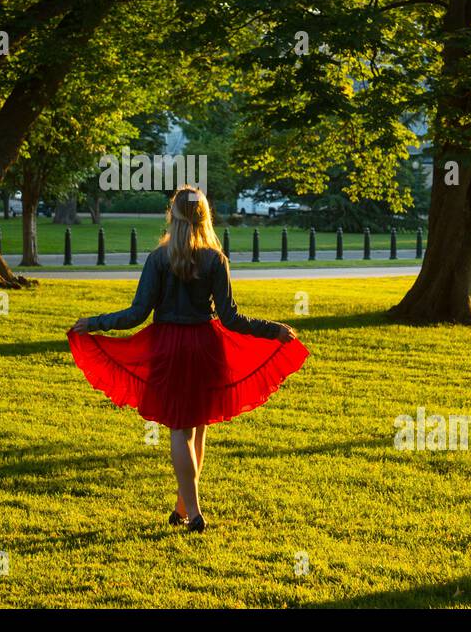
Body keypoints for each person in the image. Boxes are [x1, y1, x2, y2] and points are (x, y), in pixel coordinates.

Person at [67, 185, 309, 533]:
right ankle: (185, 507)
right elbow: (231, 319)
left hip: (168, 348)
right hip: (206, 347)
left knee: (181, 428)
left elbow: (138, 314)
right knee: (197, 427)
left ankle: (191, 511)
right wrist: (273, 330)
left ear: (173, 215)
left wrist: (95, 323)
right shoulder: (215, 259)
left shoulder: (158, 259)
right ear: (205, 216)